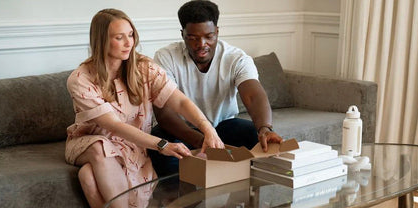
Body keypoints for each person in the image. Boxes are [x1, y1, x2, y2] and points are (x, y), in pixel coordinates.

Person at [65, 9, 223, 208]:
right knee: (100, 148)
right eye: (119, 37)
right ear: (101, 40)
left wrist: (208, 129)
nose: (129, 43)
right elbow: (113, 126)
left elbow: (180, 102)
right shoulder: (81, 79)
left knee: (87, 175)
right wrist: (163, 145)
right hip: (89, 142)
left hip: (132, 145)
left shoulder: (144, 68)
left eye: (130, 35)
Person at [151, 0, 283, 176]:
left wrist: (265, 128)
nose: (202, 44)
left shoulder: (236, 58)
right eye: (193, 38)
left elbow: (253, 95)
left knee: (258, 138)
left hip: (223, 125)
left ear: (217, 32)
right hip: (182, 130)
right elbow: (164, 114)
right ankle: (176, 197)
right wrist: (202, 140)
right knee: (160, 144)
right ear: (182, 34)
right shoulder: (165, 57)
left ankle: (247, 196)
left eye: (209, 36)